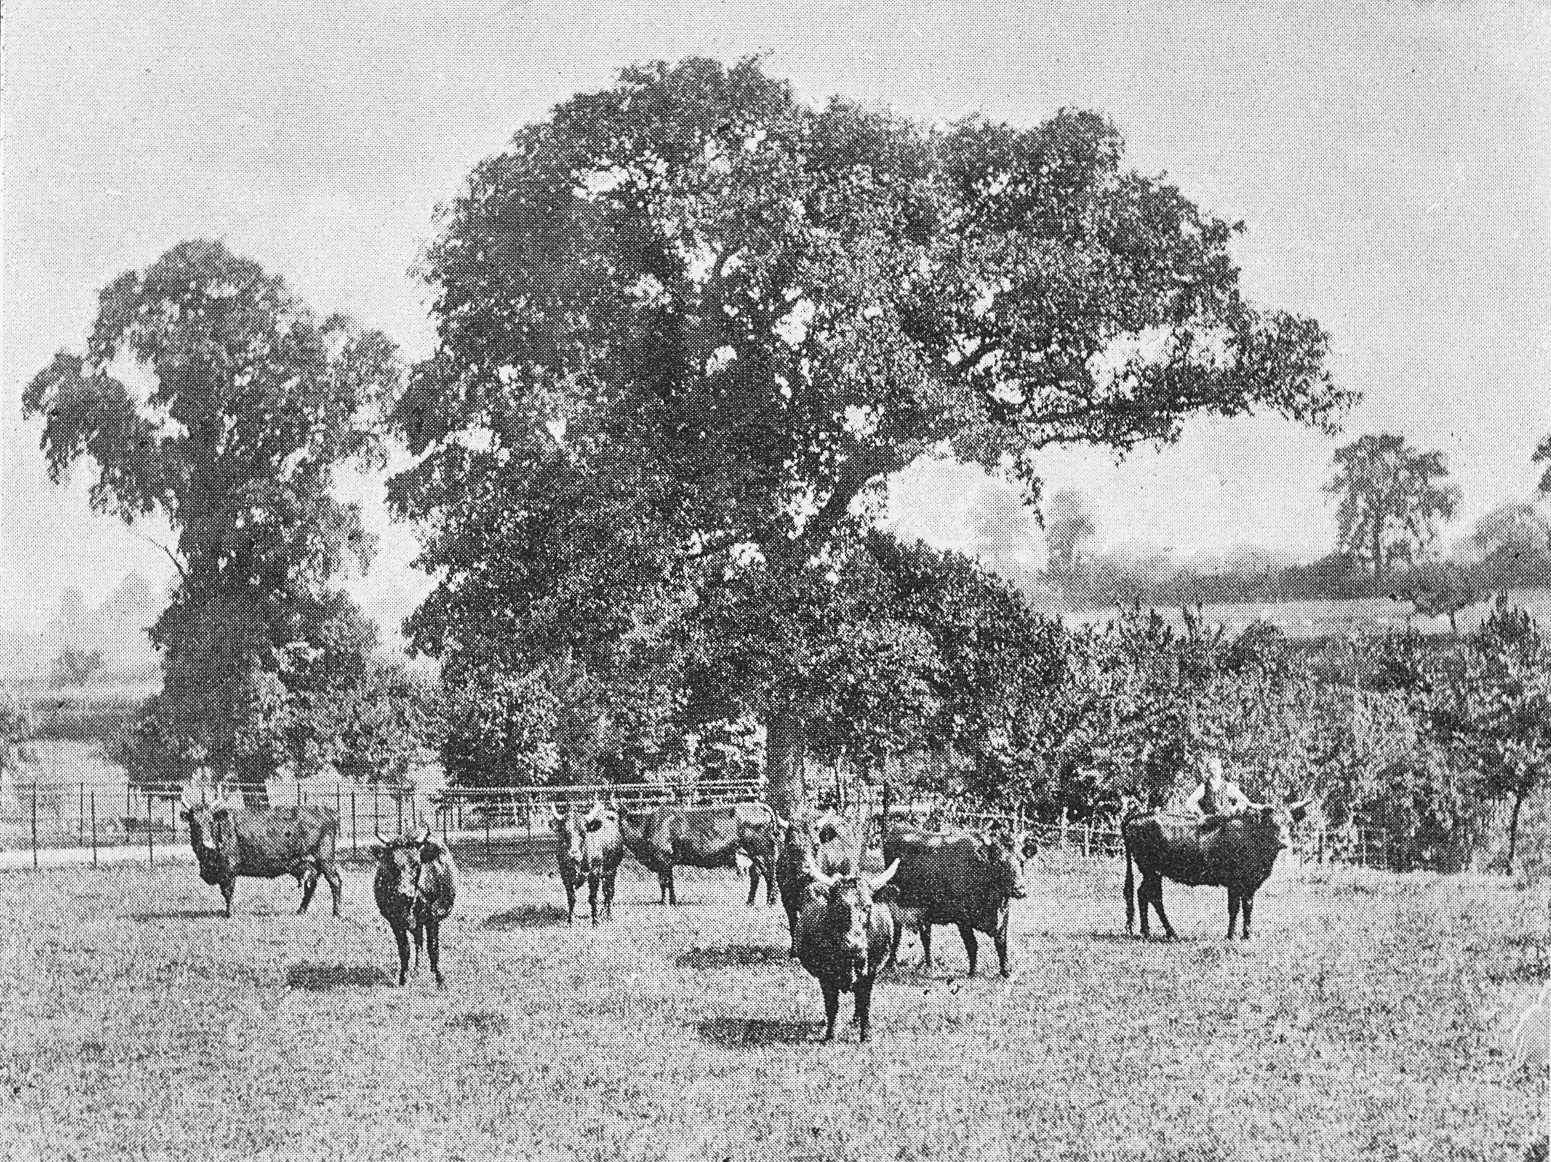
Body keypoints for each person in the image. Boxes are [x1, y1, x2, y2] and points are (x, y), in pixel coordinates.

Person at [1184, 755, 1251, 818]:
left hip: (1225, 823)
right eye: (1211, 769)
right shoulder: (1204, 787)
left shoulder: (1228, 786)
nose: (1213, 772)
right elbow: (1188, 803)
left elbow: (1244, 801)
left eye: (1215, 768)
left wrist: (1235, 809)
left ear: (1220, 770)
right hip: (1209, 824)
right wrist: (1199, 814)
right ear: (1208, 771)